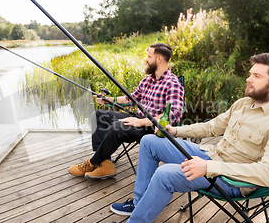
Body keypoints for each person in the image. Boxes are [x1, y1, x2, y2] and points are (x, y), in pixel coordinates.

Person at [93, 52, 269, 223]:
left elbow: (268, 174)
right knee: (149, 141)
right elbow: (211, 127)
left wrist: (208, 167)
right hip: (210, 156)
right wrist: (175, 131)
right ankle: (139, 204)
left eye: (256, 76)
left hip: (232, 180)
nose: (248, 78)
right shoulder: (243, 104)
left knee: (165, 175)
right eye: (250, 74)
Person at [69, 43, 184, 179]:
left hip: (152, 127)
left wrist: (142, 122)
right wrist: (108, 99)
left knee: (118, 127)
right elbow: (131, 98)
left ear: (159, 59)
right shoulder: (148, 80)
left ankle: (93, 162)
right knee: (99, 115)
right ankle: (105, 164)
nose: (146, 59)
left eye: (149, 56)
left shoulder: (172, 83)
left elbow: (174, 115)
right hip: (137, 118)